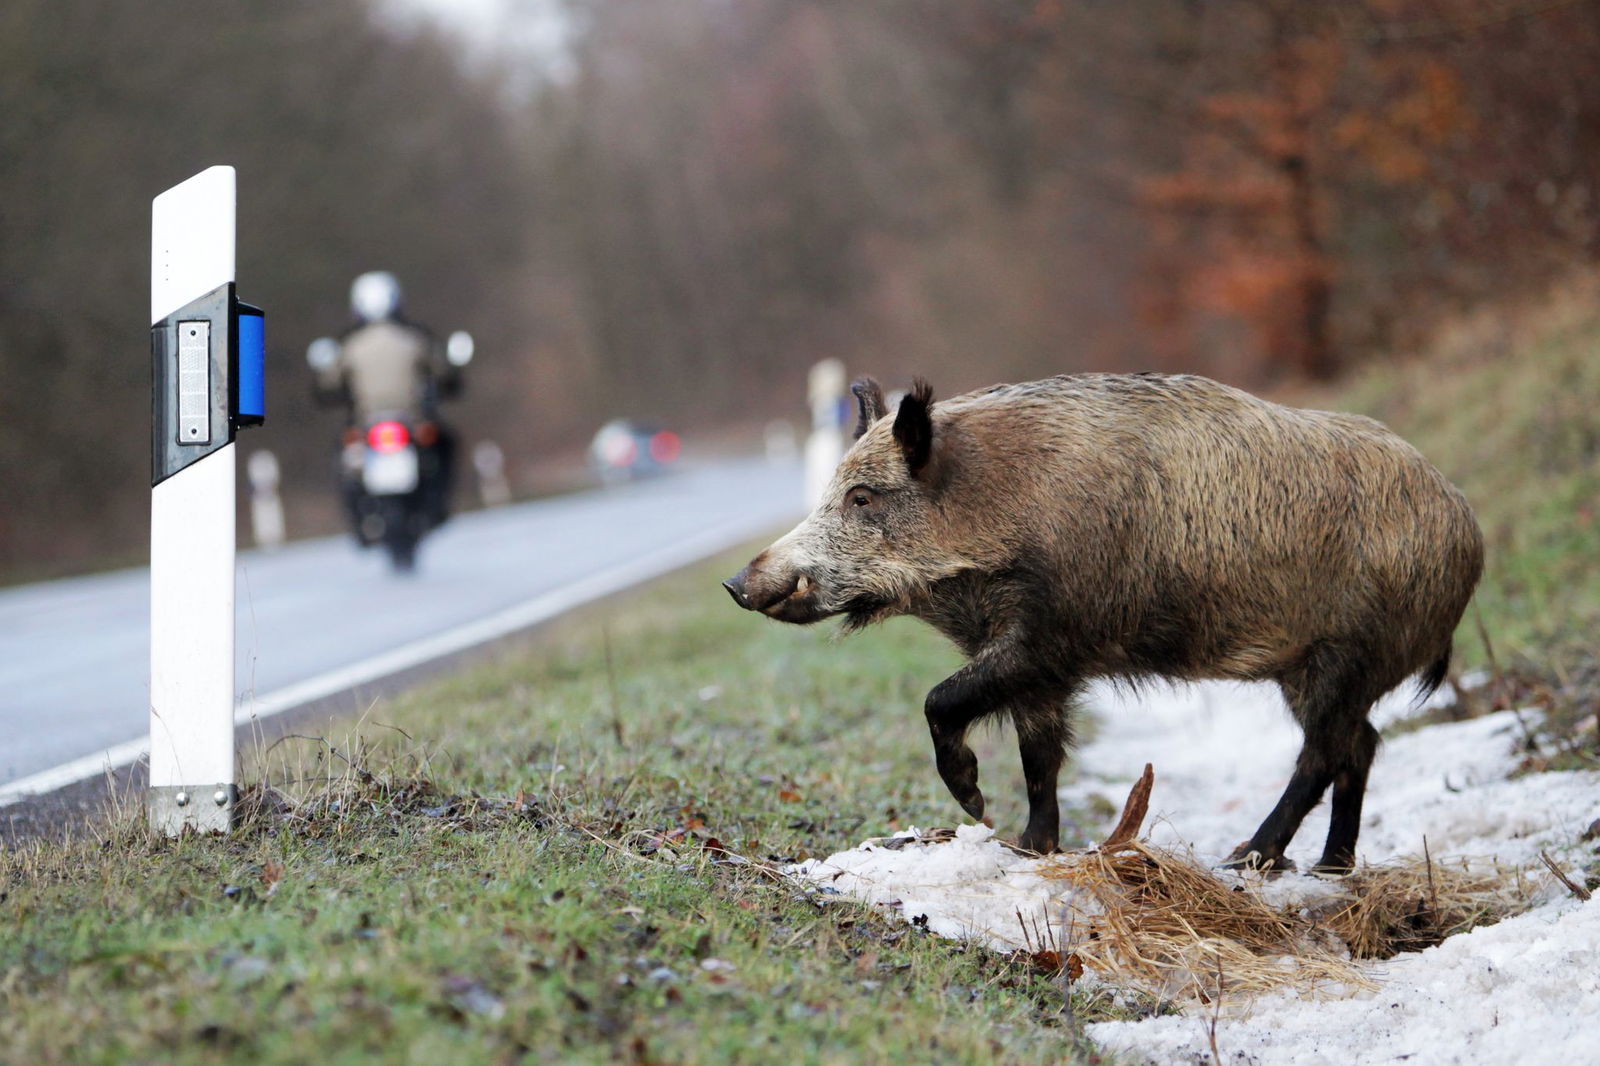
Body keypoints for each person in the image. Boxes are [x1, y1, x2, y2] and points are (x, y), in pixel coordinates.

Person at [314, 271, 462, 532]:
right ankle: (438, 508)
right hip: (413, 423)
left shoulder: (349, 345)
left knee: (342, 459)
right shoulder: (415, 338)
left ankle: (357, 522)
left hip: (365, 425)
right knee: (447, 445)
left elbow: (327, 385)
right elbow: (444, 373)